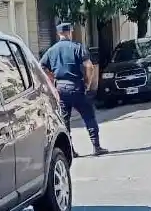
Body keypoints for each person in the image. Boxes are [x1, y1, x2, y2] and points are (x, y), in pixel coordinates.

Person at [39, 22, 108, 156]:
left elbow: (41, 67)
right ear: (70, 32)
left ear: (59, 34)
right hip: (77, 87)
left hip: (60, 89)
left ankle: (70, 151)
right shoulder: (77, 47)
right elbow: (89, 66)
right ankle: (96, 147)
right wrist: (87, 83)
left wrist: (51, 80)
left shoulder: (51, 50)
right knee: (89, 117)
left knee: (65, 121)